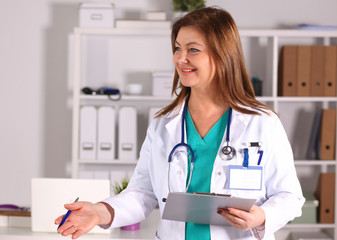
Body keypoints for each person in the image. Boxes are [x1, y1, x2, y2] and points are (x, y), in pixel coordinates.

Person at [55, 7, 305, 240]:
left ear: (222, 54)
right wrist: (101, 211)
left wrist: (261, 216)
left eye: (193, 50)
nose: (180, 58)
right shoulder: (163, 124)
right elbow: (143, 193)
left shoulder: (262, 122)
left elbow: (289, 196)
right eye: (177, 48)